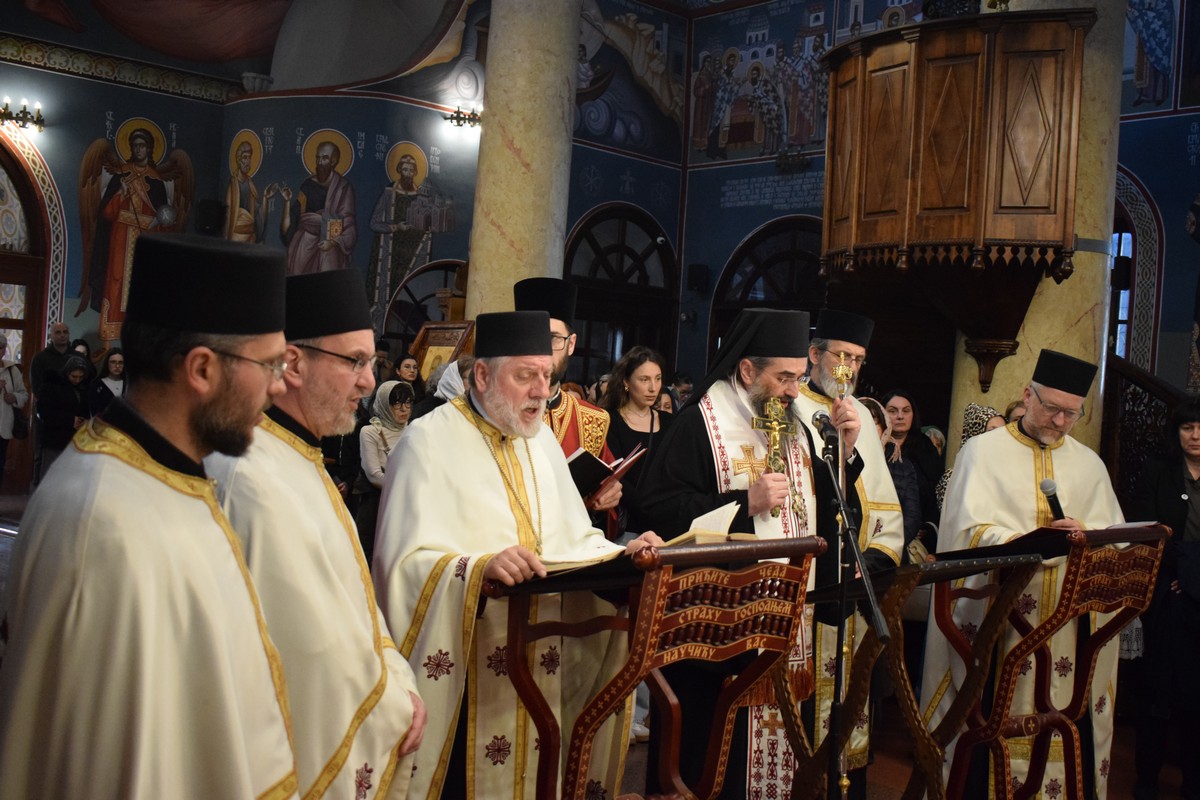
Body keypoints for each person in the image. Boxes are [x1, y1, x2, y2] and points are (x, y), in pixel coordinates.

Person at [0, 233, 298, 798]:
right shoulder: (105, 527)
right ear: (202, 369)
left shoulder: (161, 475)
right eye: (271, 364)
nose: (280, 386)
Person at [372, 310, 661, 799]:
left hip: (541, 657)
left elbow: (573, 537)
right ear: (483, 375)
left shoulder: (540, 440)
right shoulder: (427, 441)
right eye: (526, 375)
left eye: (546, 376)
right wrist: (476, 568)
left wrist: (621, 553)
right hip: (471, 669)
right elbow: (399, 566)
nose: (541, 392)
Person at [639, 308, 899, 798]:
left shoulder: (797, 428)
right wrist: (745, 505)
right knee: (712, 765)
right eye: (784, 378)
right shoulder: (700, 424)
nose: (795, 390)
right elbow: (659, 512)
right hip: (714, 642)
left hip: (786, 632)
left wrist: (844, 454)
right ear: (746, 370)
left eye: (799, 377)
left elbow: (828, 513)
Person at [206, 267, 425, 798]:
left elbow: (354, 603)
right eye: (355, 361)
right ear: (293, 363)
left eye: (369, 363)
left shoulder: (302, 457)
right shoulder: (251, 476)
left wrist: (398, 672)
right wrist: (391, 698)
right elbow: (307, 643)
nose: (369, 382)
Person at [921, 349, 1125, 798]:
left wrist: (1086, 534)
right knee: (987, 722)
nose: (1060, 421)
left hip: (1068, 628)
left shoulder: (1089, 464)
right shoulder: (982, 453)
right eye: (1051, 408)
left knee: (1065, 719)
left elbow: (1115, 538)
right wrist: (1026, 542)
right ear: (1027, 396)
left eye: (1071, 413)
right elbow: (967, 532)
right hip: (999, 622)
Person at [793, 309, 905, 790]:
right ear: (814, 354)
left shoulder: (860, 414)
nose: (848, 369)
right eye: (841, 356)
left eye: (857, 360)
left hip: (852, 590)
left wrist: (870, 564)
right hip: (807, 590)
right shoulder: (787, 406)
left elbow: (885, 511)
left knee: (849, 702)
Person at [1131, 397, 1200, 800]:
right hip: (1166, 595)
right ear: (1177, 433)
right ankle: (1146, 781)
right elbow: (1148, 530)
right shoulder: (1158, 470)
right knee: (1158, 694)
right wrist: (1181, 575)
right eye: (1188, 427)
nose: (1196, 435)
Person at [513, 277, 622, 525]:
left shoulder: (592, 420)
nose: (542, 350)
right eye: (533, 336)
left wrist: (608, 498)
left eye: (553, 338)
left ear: (571, 344)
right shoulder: (495, 413)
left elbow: (606, 510)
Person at [602, 345, 673, 534]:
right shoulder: (610, 421)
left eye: (657, 379)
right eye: (644, 379)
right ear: (626, 381)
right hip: (627, 522)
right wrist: (648, 510)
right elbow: (616, 475)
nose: (653, 388)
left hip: (665, 519)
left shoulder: (670, 422)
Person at [353, 379, 414, 562]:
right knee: (370, 555)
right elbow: (374, 475)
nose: (404, 409)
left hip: (406, 502)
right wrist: (404, 486)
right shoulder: (370, 431)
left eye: (408, 403)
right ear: (385, 405)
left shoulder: (414, 429)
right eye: (397, 404)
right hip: (377, 501)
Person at [280, 140, 357, 275]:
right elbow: (295, 217)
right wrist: (287, 202)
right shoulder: (308, 185)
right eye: (318, 158)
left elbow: (348, 222)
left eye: (325, 158)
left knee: (325, 280)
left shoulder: (343, 188)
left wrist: (333, 242)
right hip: (304, 244)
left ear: (333, 161)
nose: (320, 162)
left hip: (329, 247)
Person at [881, 389, 943, 556]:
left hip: (919, 539)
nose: (900, 416)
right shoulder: (874, 447)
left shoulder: (926, 448)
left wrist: (927, 527)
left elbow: (937, 493)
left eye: (906, 411)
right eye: (893, 411)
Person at [934, 402, 1004, 509]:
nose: (999, 436)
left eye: (1002, 431)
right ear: (976, 434)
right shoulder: (953, 478)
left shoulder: (1006, 475)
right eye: (991, 430)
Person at [225, 138, 269, 243]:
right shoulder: (233, 185)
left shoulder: (251, 185)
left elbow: (258, 213)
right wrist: (226, 237)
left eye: (249, 158)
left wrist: (266, 198)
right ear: (239, 160)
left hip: (250, 237)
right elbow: (228, 212)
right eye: (245, 157)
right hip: (236, 236)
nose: (247, 161)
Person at [0, 337, 28, 483]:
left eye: (1, 347)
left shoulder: (12, 370)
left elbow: (24, 394)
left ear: (4, 350)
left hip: (3, 428)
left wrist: (14, 397)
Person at [88, 347, 126, 417]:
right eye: (113, 362)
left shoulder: (130, 384)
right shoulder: (97, 384)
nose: (117, 366)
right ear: (107, 363)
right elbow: (94, 411)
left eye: (121, 362)